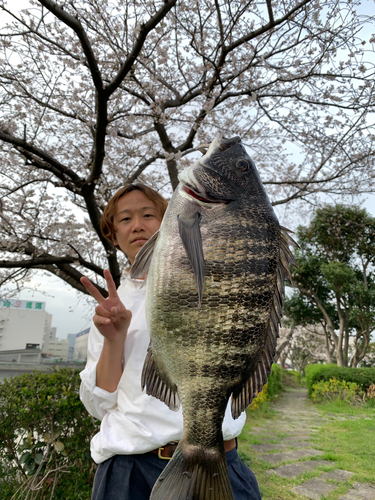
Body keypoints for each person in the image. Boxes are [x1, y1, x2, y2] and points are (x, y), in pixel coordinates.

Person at [79, 183, 262, 500]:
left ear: (169, 219)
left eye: (147, 214)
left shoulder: (214, 279)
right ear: (112, 234)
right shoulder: (112, 308)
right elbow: (101, 404)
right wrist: (114, 338)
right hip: (131, 471)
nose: (137, 225)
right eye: (124, 219)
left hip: (219, 464)